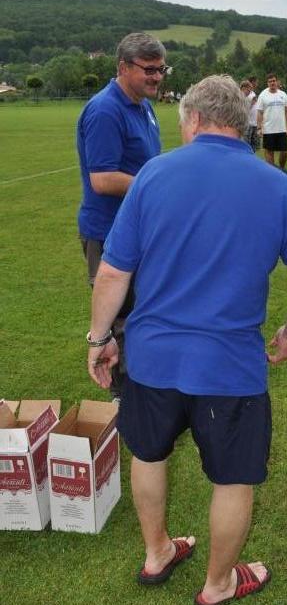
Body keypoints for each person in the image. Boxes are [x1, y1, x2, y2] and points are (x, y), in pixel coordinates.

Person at [86, 75, 287, 605]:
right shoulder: (278, 186)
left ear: (193, 119)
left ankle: (157, 552)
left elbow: (113, 272)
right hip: (230, 364)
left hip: (153, 358)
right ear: (242, 122)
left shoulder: (153, 175)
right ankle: (217, 584)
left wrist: (99, 338)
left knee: (149, 453)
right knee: (233, 477)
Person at [76, 32, 165, 396]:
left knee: (143, 314)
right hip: (108, 232)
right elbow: (102, 179)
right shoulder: (105, 110)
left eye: (161, 69)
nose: (157, 77)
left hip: (140, 229)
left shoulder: (142, 105)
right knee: (120, 319)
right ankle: (124, 402)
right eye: (149, 69)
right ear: (124, 67)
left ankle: (145, 394)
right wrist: (158, 184)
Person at [256, 74, 287, 168]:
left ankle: (282, 169)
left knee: (284, 152)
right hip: (268, 130)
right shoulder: (263, 95)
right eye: (270, 81)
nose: (272, 83)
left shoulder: (283, 94)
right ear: (267, 83)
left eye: (274, 81)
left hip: (281, 129)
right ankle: (272, 171)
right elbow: (259, 112)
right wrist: (259, 128)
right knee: (269, 151)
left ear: (277, 82)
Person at [240, 79, 260, 152]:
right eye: (248, 89)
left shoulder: (250, 95)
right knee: (246, 145)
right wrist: (251, 103)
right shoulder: (239, 98)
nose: (249, 91)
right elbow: (242, 111)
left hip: (254, 123)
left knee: (254, 146)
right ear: (243, 88)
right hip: (246, 124)